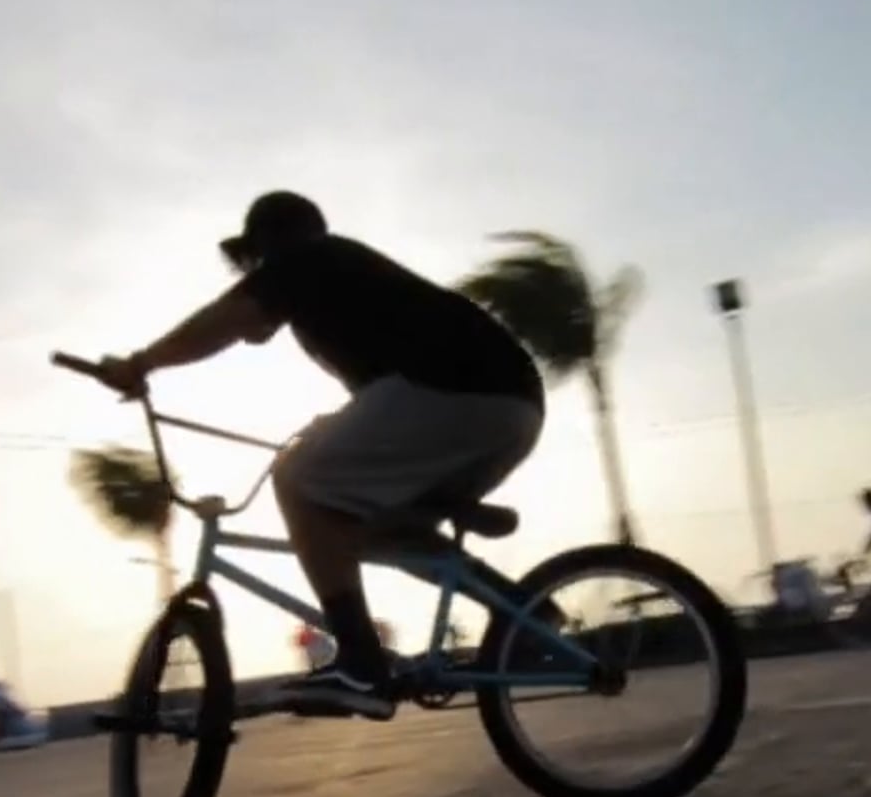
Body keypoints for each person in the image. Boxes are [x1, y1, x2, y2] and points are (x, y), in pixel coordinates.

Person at [90, 190, 547, 720]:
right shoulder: (340, 288)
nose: (252, 274)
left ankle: (360, 664)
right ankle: (528, 614)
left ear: (268, 246)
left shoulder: (304, 259)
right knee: (380, 530)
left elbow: (231, 317)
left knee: (299, 477)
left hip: (458, 392)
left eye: (253, 262)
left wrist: (141, 363)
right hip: (509, 408)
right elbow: (379, 398)